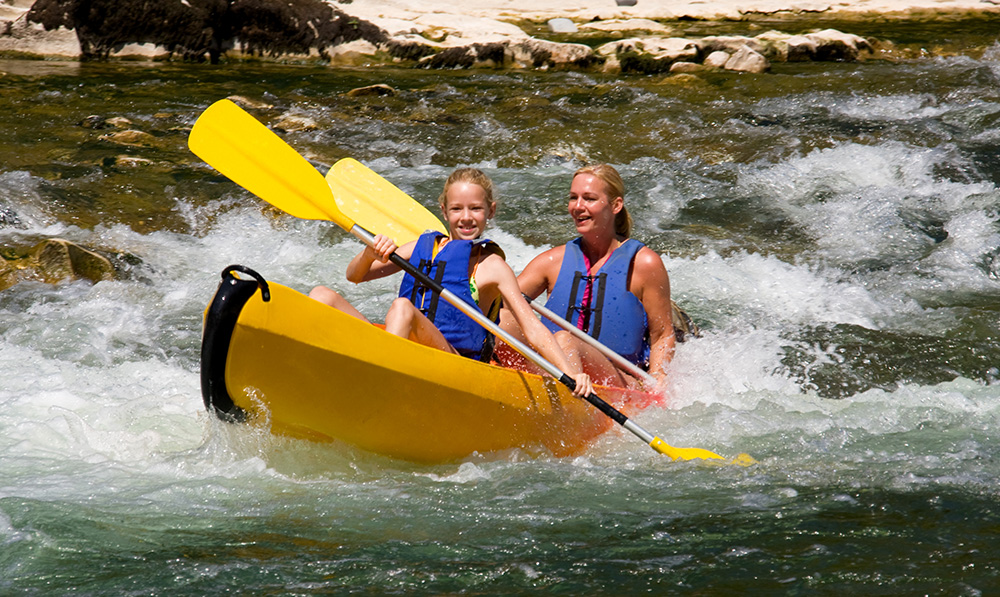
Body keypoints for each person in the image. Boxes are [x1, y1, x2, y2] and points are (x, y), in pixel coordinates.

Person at [309, 167, 593, 397]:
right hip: (405, 350)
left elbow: (531, 326)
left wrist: (569, 372)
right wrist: (369, 252)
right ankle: (314, 374)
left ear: (490, 211)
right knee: (322, 295)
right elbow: (354, 276)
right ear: (444, 211)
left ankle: (378, 387)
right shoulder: (422, 247)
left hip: (454, 364)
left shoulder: (492, 265)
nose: (466, 218)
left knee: (403, 308)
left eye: (476, 209)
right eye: (457, 209)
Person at [499, 163, 675, 389]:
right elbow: (500, 304)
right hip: (554, 367)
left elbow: (662, 334)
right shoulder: (552, 261)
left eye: (589, 199)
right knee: (502, 320)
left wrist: (658, 377)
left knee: (566, 340)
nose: (578, 206)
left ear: (615, 205)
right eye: (574, 198)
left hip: (618, 381)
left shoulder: (643, 264)